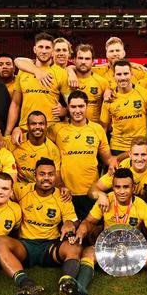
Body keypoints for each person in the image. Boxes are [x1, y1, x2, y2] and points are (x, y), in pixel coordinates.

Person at [0, 158, 81, 295]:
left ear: (55, 176)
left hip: (50, 247)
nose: (46, 178)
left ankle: (66, 284)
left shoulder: (62, 196)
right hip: (25, 246)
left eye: (50, 174)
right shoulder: (22, 190)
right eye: (42, 174)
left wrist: (70, 223)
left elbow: (73, 220)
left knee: (74, 246)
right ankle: (27, 284)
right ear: (35, 175)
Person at [47, 90, 118, 220]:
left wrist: (121, 159)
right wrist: (18, 129)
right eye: (73, 107)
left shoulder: (97, 130)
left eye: (81, 106)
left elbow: (108, 159)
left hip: (91, 192)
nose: (77, 110)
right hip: (66, 193)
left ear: (87, 107)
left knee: (90, 232)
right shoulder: (56, 130)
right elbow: (37, 136)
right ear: (67, 108)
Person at [7, 32, 70, 143]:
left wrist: (65, 111)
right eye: (41, 47)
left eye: (48, 48)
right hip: (25, 129)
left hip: (51, 129)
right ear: (35, 49)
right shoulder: (23, 71)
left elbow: (71, 103)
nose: (44, 51)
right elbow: (15, 104)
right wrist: (8, 132)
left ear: (52, 51)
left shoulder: (61, 73)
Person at [90, 136, 147, 228]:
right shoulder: (120, 167)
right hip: (122, 206)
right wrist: (100, 195)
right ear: (130, 154)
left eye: (143, 154)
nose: (140, 159)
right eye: (136, 154)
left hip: (144, 208)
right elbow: (92, 190)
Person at [100, 59, 147, 155]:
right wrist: (106, 153)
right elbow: (103, 128)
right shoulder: (109, 97)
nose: (123, 78)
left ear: (131, 74)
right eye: (119, 74)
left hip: (141, 146)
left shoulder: (143, 93)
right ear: (113, 76)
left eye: (126, 74)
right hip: (118, 148)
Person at [6, 111, 62, 183]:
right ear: (27, 126)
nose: (37, 127)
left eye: (41, 124)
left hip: (40, 190)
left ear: (46, 126)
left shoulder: (53, 150)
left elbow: (56, 179)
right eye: (33, 124)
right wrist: (16, 129)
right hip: (18, 189)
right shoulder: (15, 141)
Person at [71, 44, 109, 123]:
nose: (83, 62)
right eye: (80, 58)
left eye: (87, 59)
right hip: (71, 130)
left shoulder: (102, 82)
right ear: (74, 60)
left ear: (92, 62)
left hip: (94, 131)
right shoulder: (67, 79)